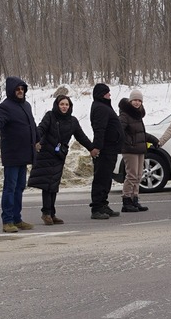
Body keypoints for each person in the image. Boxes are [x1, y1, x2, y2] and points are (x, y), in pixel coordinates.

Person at [32, 89, 93, 223]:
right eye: (62, 104)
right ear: (57, 105)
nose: (64, 107)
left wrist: (91, 148)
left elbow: (81, 137)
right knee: (47, 184)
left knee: (54, 185)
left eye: (67, 104)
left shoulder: (73, 121)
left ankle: (52, 213)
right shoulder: (50, 116)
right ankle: (46, 213)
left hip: (59, 155)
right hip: (46, 153)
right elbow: (41, 128)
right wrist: (35, 139)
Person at [0, 76, 37, 231]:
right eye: (17, 89)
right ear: (11, 91)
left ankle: (17, 219)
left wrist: (38, 139)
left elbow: (32, 124)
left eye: (22, 89)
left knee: (20, 187)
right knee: (10, 187)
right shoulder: (5, 107)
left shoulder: (26, 105)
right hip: (12, 154)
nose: (20, 92)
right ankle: (7, 221)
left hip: (25, 153)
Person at [86, 84, 121, 219]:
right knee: (101, 178)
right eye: (107, 93)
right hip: (104, 149)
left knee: (106, 179)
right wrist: (98, 147)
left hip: (110, 149)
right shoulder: (100, 108)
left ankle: (103, 204)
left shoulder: (104, 106)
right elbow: (100, 129)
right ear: (101, 94)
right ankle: (97, 208)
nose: (109, 95)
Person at [117, 88, 151, 213]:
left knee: (138, 175)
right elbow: (120, 130)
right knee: (131, 175)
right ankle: (126, 200)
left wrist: (153, 139)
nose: (137, 103)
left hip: (139, 149)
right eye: (134, 100)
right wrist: (128, 141)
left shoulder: (138, 114)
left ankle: (134, 198)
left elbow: (140, 133)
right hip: (130, 149)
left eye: (139, 100)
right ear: (130, 101)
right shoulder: (125, 114)